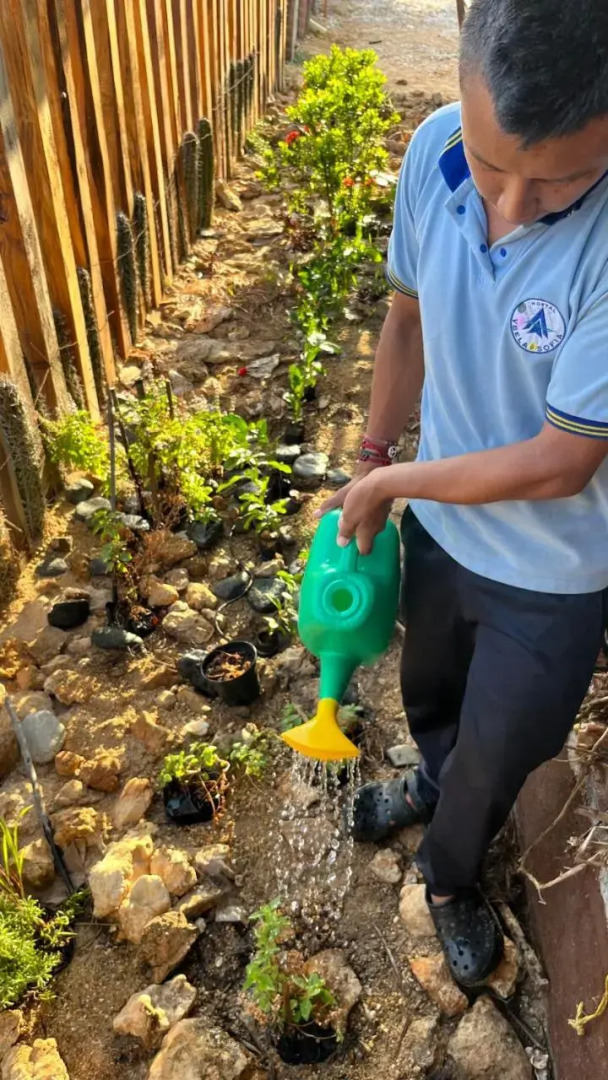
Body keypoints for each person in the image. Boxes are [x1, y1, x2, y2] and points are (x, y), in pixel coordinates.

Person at [319, 0, 608, 987]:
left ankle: (450, 874)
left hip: (552, 571)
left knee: (508, 743)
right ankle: (433, 780)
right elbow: (403, 319)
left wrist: (397, 478)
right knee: (429, 694)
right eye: (491, 166)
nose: (508, 207)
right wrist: (369, 454)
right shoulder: (431, 149)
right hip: (440, 531)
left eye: (558, 178)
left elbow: (557, 462)